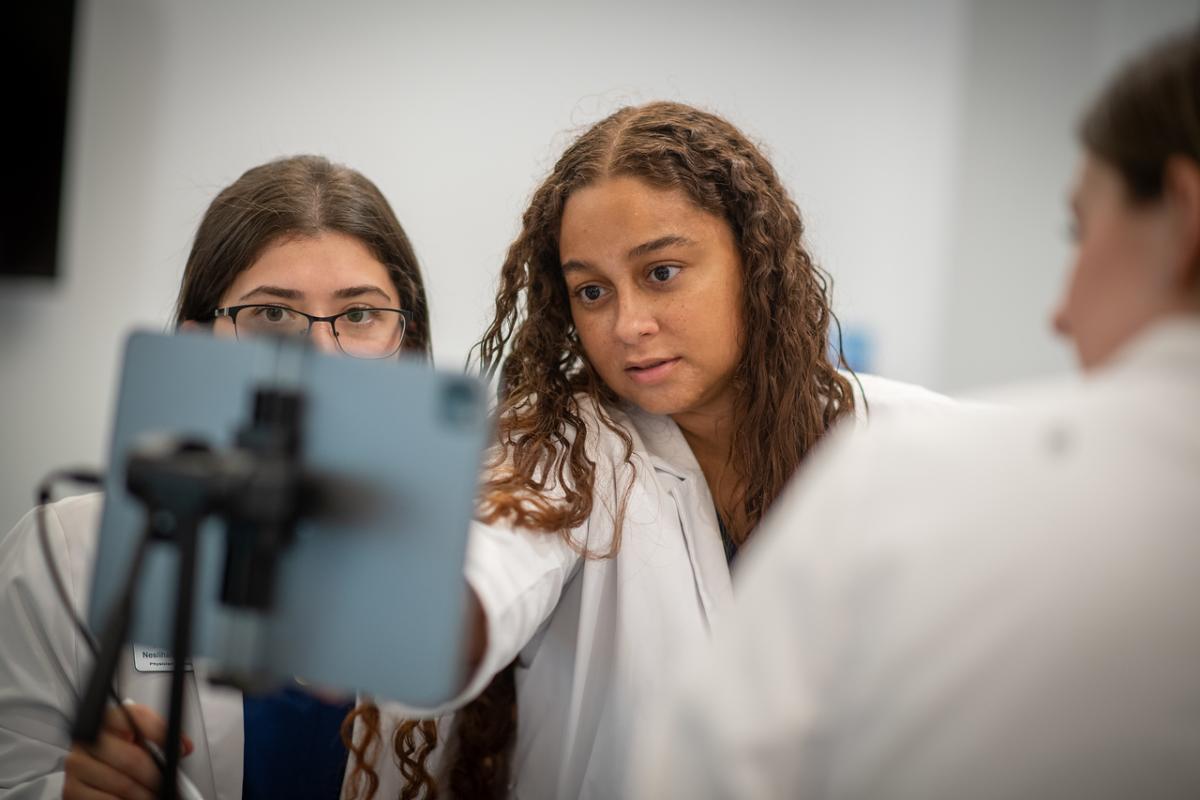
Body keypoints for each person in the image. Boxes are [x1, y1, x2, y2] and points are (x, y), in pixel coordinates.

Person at [632, 29, 1200, 800]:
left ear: (1185, 213)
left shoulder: (904, 471)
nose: (1060, 313)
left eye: (1080, 231)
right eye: (590, 292)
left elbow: (700, 777)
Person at [355, 101, 953, 799]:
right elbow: (491, 565)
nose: (628, 324)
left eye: (662, 272)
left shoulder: (907, 437)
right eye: (592, 291)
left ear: (753, 261)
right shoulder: (564, 448)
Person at [0, 154, 434, 799]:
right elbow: (16, 774)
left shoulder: (477, 565)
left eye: (360, 315)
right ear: (197, 342)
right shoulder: (63, 551)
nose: (317, 357)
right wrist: (66, 792)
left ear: (409, 345)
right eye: (273, 316)